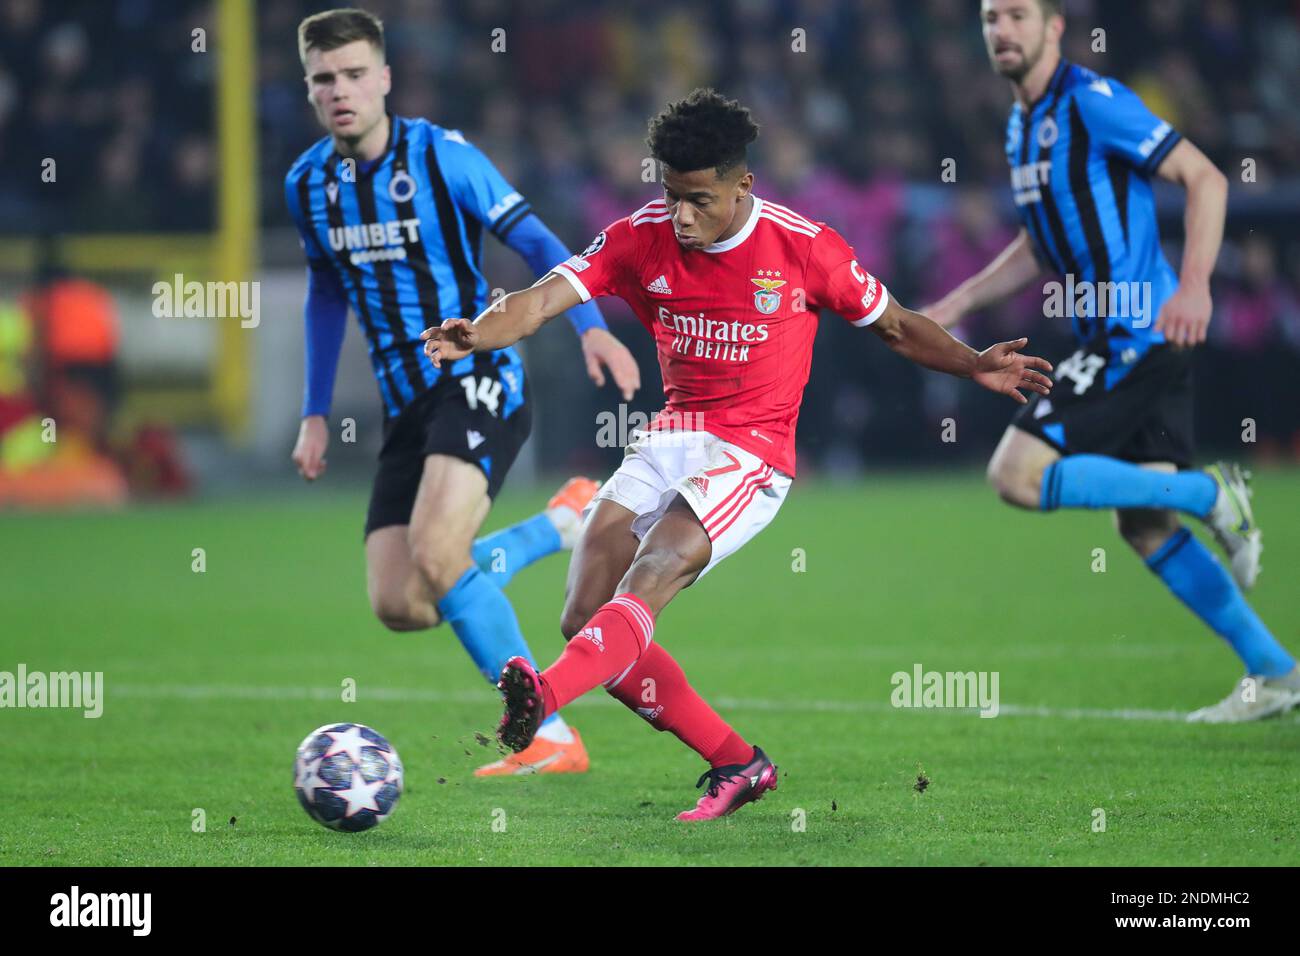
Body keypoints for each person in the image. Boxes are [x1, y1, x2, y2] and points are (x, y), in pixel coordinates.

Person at [423, 89, 1053, 819]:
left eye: (698, 199)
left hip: (752, 450)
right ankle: (738, 763)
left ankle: (545, 698)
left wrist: (975, 363)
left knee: (655, 568)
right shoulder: (638, 235)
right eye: (670, 195)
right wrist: (479, 333)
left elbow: (897, 326)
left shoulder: (803, 246)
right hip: (671, 434)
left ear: (741, 185)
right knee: (584, 614)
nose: (681, 215)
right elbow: (536, 300)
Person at [285, 8, 641, 775]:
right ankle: (555, 528)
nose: (340, 90)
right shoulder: (308, 184)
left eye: (353, 74)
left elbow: (541, 244)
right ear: (310, 89)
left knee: (440, 558)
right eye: (324, 79)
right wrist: (315, 412)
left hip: (478, 377)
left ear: (384, 79)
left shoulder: (444, 157)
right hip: (405, 403)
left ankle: (548, 735)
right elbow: (324, 293)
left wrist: (591, 329)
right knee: (402, 603)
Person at [924, 0, 1299, 722]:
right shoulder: (1020, 127)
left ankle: (1215, 495)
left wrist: (1195, 287)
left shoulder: (1091, 102)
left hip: (1137, 334)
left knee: (1015, 475)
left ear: (1053, 27)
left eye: (1016, 16)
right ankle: (1274, 670)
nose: (1001, 30)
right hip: (1121, 340)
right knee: (1143, 523)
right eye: (989, 18)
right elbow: (1039, 244)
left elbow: (1207, 178)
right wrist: (958, 303)